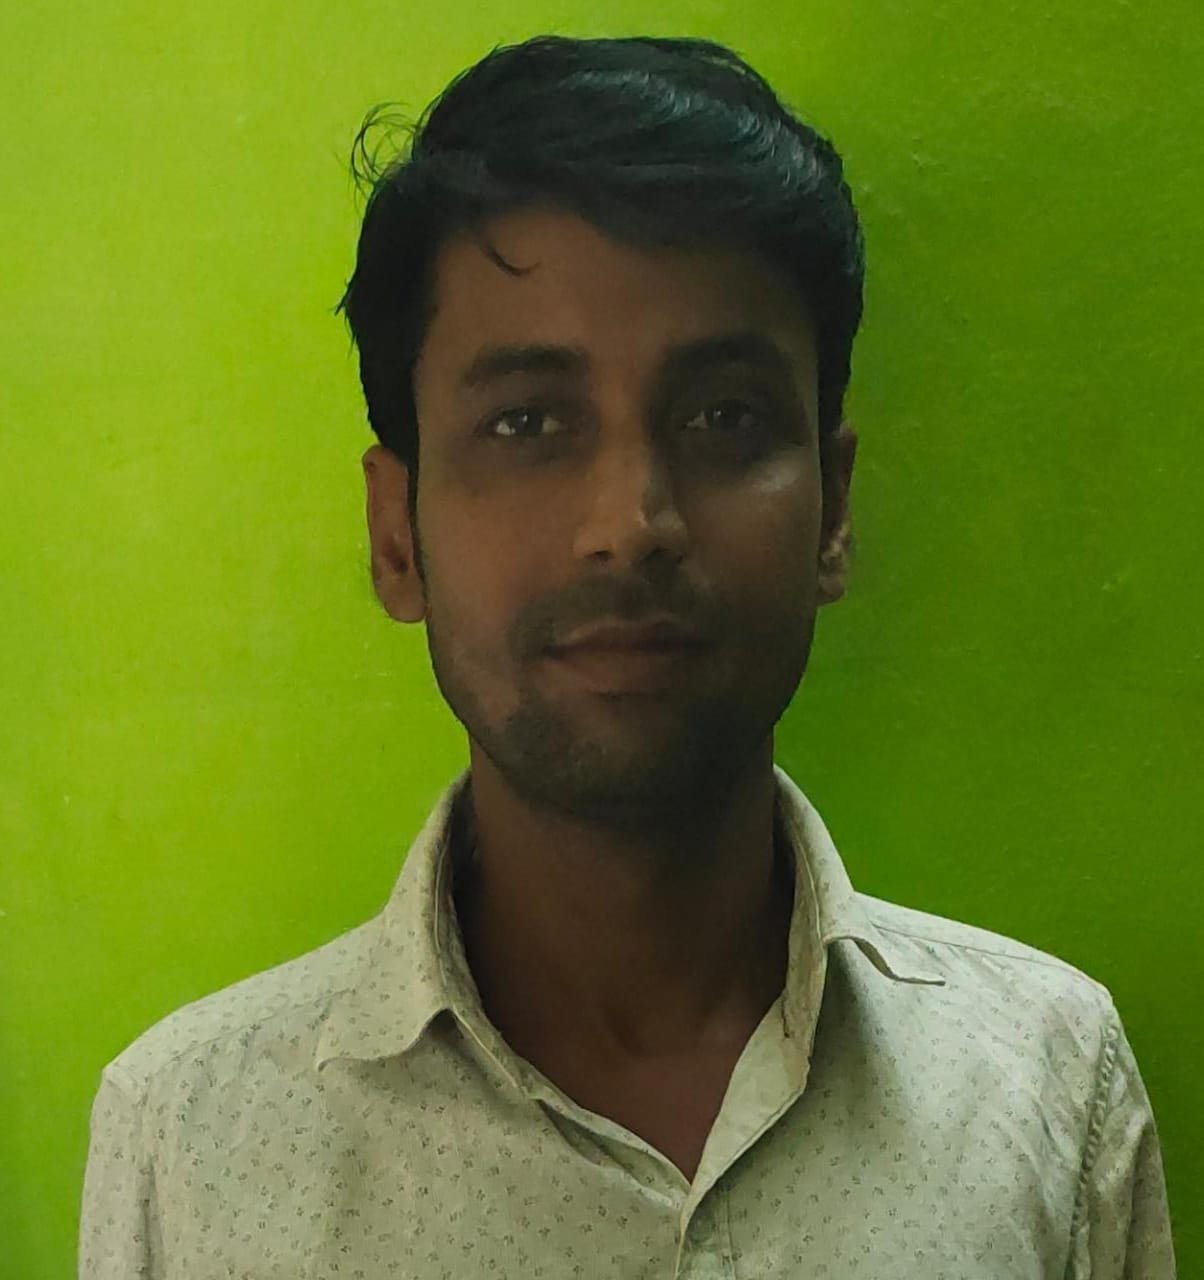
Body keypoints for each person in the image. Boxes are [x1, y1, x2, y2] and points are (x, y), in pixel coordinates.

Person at [79, 33, 1177, 1278]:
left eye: (723, 416)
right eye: (527, 422)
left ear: (831, 510)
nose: (630, 523)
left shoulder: (1046, 1078)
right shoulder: (192, 1138)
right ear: (396, 536)